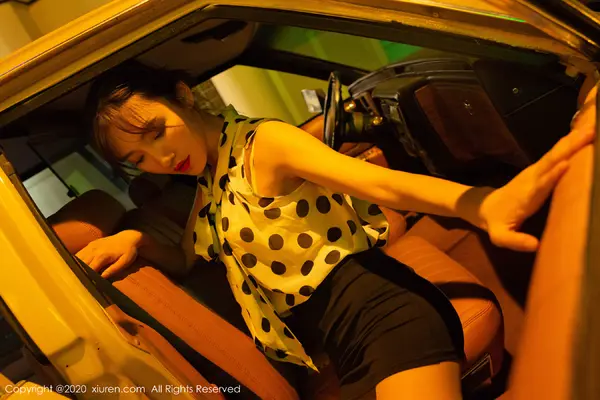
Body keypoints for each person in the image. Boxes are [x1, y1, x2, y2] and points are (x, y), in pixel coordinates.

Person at [78, 61, 596, 400]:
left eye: (155, 132)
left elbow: (379, 183)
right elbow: (187, 257)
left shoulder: (265, 144)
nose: (160, 158)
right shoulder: (209, 185)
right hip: (340, 345)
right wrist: (135, 240)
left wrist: (484, 203)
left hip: (385, 316)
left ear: (183, 96)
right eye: (138, 159)